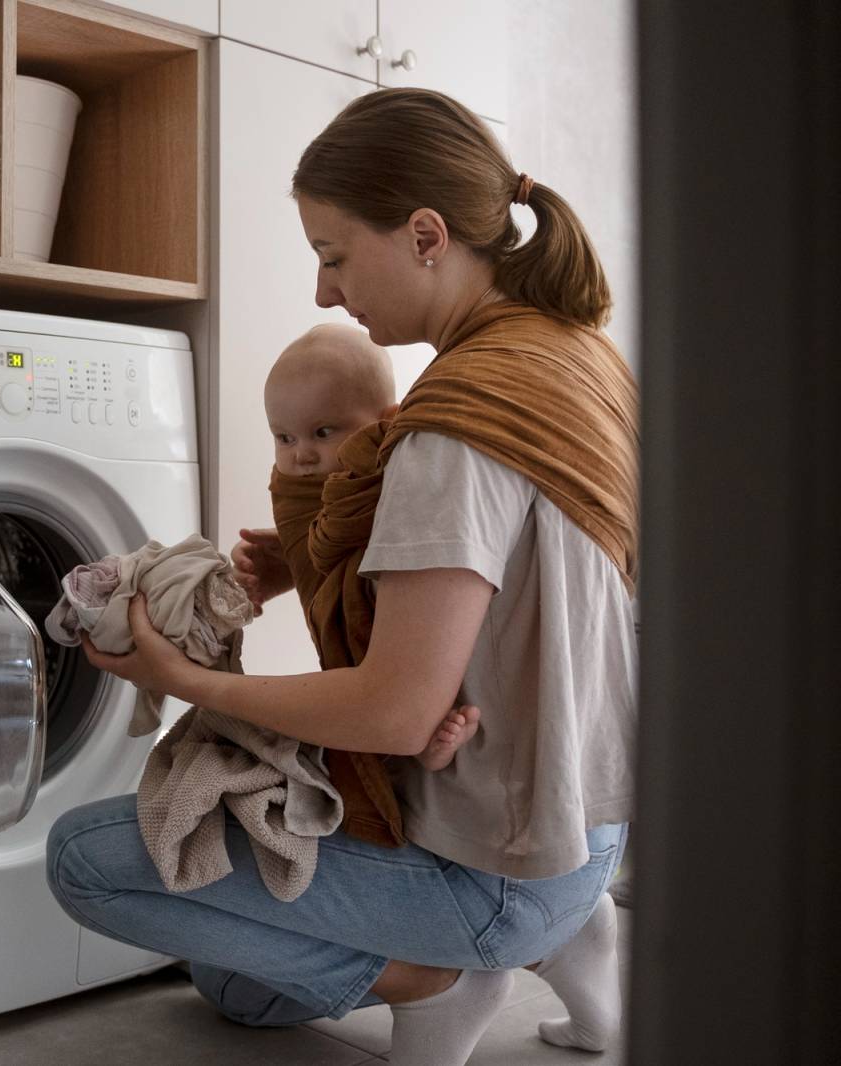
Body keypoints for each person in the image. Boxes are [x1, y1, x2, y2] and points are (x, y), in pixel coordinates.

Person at [45, 86, 638, 1066]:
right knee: (234, 987)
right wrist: (308, 563)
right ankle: (576, 939)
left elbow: (398, 714)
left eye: (331, 255)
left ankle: (442, 976)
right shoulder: (574, 354)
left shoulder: (450, 429)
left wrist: (182, 679)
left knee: (84, 861)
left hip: (494, 869)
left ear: (423, 235)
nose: (324, 293)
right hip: (589, 830)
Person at [261, 324, 479, 773]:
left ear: (385, 421)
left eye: (322, 432)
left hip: (408, 625)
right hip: (353, 648)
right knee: (346, 660)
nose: (301, 455)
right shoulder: (299, 490)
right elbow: (319, 556)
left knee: (408, 650)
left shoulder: (397, 474)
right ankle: (395, 740)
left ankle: (428, 737)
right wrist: (288, 557)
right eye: (284, 438)